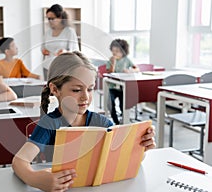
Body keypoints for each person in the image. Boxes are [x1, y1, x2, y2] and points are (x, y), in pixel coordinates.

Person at [12, 51, 155, 192]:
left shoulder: (101, 122)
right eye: (76, 90)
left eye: (90, 89)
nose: (85, 97)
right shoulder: (49, 124)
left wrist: (140, 147)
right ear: (55, 89)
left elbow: (123, 156)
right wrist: (35, 179)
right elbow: (19, 161)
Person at [42, 4, 79, 79]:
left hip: (63, 68)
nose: (50, 21)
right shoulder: (48, 32)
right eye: (48, 19)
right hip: (48, 67)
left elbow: (75, 51)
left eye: (52, 18)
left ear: (60, 18)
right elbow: (43, 47)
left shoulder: (69, 32)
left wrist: (65, 52)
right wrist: (44, 51)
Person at [106, 39, 139, 125]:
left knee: (123, 105)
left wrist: (130, 71)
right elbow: (109, 73)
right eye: (113, 51)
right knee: (111, 105)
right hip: (112, 87)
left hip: (122, 88)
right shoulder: (110, 60)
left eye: (117, 51)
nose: (114, 53)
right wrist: (113, 63)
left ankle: (124, 120)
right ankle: (116, 122)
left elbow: (137, 69)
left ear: (123, 51)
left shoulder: (127, 60)